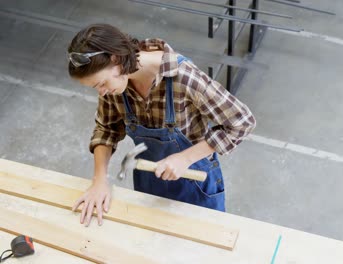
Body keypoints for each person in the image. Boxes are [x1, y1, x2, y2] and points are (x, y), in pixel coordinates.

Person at [67, 24, 256, 226]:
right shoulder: (116, 85)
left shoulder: (183, 77)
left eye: (101, 84)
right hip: (150, 180)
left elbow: (242, 122)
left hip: (194, 183)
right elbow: (106, 128)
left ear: (116, 59)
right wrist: (99, 180)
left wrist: (185, 158)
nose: (102, 92)